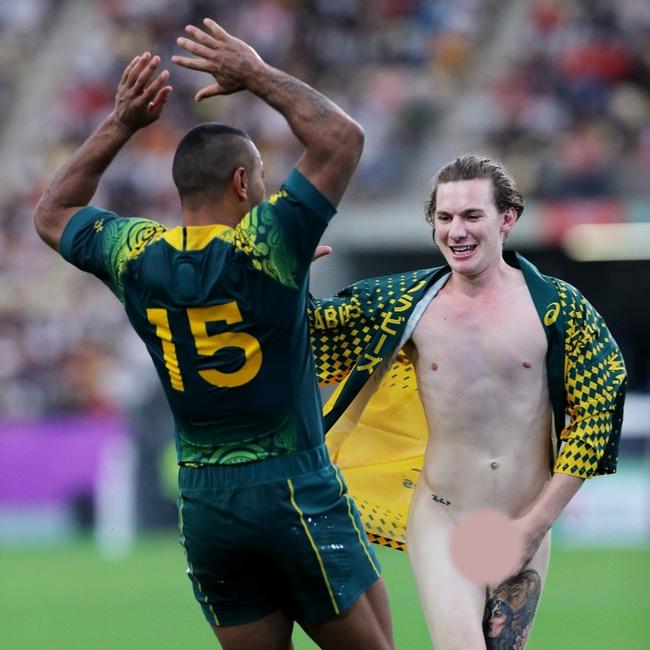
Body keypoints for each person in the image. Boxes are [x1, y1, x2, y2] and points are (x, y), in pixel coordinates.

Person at [33, 18, 395, 650]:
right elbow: (340, 138)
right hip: (291, 483)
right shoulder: (268, 246)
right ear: (241, 183)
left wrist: (121, 122)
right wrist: (253, 74)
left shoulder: (137, 255)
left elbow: (52, 213)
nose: (264, 185)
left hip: (205, 500)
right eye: (260, 174)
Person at [309, 154, 626, 648]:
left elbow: (597, 415)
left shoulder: (559, 308)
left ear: (507, 219)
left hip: (524, 520)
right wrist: (284, 282)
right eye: (444, 217)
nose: (456, 230)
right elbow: (314, 342)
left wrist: (534, 526)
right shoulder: (405, 305)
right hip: (443, 517)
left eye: (471, 216)